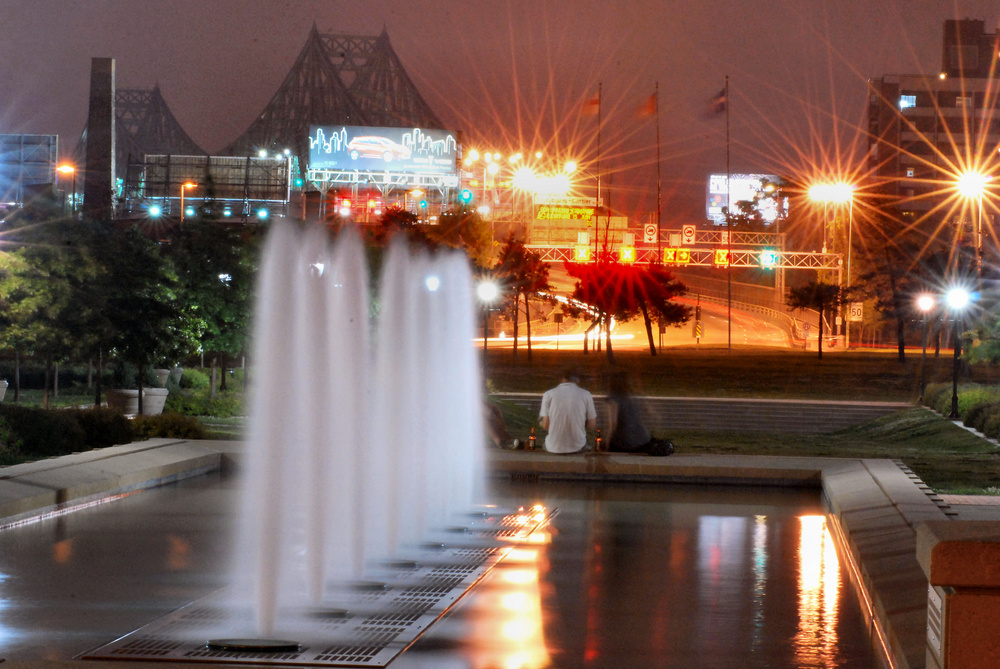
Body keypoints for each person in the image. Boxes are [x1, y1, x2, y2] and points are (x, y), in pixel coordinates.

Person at [606, 370, 674, 456]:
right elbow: (654, 415)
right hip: (643, 439)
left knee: (611, 446)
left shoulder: (613, 398)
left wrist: (607, 442)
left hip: (626, 441)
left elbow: (613, 423)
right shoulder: (634, 395)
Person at [539, 368, 597, 454]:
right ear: (577, 379)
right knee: (587, 444)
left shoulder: (548, 395)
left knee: (544, 444)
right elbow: (592, 425)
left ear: (561, 379)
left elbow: (546, 425)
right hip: (578, 446)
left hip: (553, 447)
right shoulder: (586, 394)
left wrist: (541, 423)